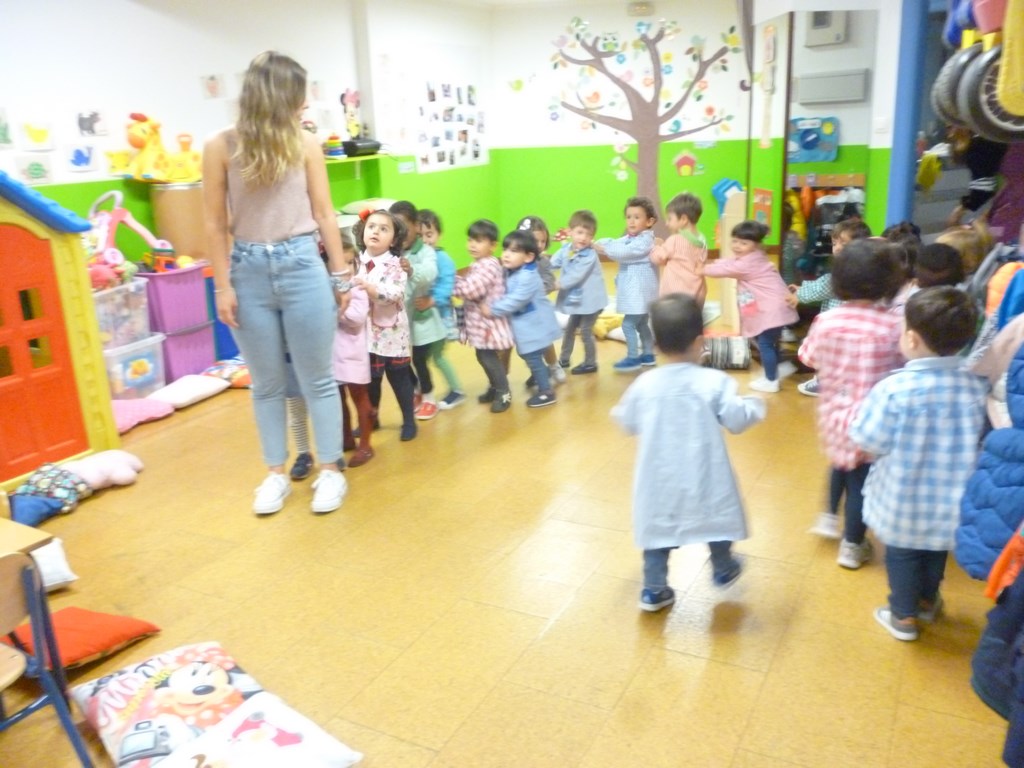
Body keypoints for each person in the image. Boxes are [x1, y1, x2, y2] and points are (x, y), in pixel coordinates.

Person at [204, 50, 348, 516]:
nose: (304, 105)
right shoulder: (220, 146)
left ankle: (330, 469)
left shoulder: (305, 143)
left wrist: (341, 276)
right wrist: (223, 287)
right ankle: (275, 475)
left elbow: (325, 213)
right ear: (275, 97)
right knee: (266, 384)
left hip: (302, 264)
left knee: (317, 378)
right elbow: (214, 224)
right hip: (247, 271)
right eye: (298, 96)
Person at [611, 293, 766, 612]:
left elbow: (626, 421)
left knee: (658, 534)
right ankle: (723, 567)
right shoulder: (714, 381)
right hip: (705, 474)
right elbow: (736, 420)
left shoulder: (645, 384)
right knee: (716, 522)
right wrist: (756, 406)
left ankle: (654, 590)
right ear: (700, 341)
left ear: (656, 345)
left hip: (661, 480)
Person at [849, 287, 986, 641]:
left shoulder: (893, 389)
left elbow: (870, 439)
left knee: (902, 555)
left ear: (911, 338)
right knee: (935, 551)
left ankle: (903, 616)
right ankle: (927, 601)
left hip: (903, 499)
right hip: (951, 500)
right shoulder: (975, 387)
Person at [798, 239, 905, 567]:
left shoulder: (827, 321)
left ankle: (829, 516)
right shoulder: (893, 325)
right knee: (861, 481)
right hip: (875, 419)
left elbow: (807, 356)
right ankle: (852, 543)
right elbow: (903, 365)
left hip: (834, 414)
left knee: (840, 463)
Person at [702, 220, 798, 393]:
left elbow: (724, 270)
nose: (737, 246)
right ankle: (776, 369)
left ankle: (771, 380)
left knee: (765, 344)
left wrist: (702, 269)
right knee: (770, 343)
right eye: (735, 241)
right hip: (776, 308)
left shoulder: (747, 264)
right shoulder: (754, 256)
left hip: (772, 310)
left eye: (744, 243)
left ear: (756, 244)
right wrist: (710, 263)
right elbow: (729, 263)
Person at [786, 218, 872, 397]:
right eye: (835, 243)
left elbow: (823, 287)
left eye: (844, 244)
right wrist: (803, 288)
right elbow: (823, 285)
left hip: (837, 324)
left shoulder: (842, 273)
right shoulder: (865, 269)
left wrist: (799, 295)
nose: (838, 248)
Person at [352, 209, 417, 442]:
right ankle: (372, 419)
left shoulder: (397, 265)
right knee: (371, 380)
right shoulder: (356, 261)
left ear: (394, 239)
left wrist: (370, 289)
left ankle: (409, 420)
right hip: (364, 334)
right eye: (371, 227)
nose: (376, 232)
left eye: (383, 229)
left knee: (399, 379)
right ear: (362, 231)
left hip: (391, 334)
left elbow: (394, 294)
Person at [482, 230, 563, 407]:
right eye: (505, 249)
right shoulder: (512, 270)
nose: (506, 255)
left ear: (528, 257)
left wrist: (493, 310)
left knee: (531, 356)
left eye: (513, 251)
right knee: (529, 355)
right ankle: (542, 374)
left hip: (535, 326)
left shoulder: (528, 276)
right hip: (528, 326)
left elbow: (516, 300)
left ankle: (546, 392)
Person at [388, 201, 445, 424]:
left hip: (422, 319)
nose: (400, 232)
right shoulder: (392, 252)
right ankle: (416, 391)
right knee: (400, 361)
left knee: (420, 360)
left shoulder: (426, 252)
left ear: (416, 226)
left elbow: (430, 273)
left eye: (404, 226)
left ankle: (429, 398)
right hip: (399, 318)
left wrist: (411, 269)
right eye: (395, 227)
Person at [453, 219, 515, 412]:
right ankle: (495, 387)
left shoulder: (488, 265)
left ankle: (503, 391)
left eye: (479, 241)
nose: (472, 245)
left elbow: (472, 290)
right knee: (482, 355)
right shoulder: (478, 264)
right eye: (470, 240)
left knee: (488, 357)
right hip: (480, 323)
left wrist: (450, 281)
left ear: (493, 246)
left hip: (489, 324)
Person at [593, 196, 660, 373]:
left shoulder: (644, 241)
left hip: (639, 293)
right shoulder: (633, 238)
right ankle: (648, 354)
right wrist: (598, 243)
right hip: (640, 293)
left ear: (649, 221)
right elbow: (617, 242)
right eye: (629, 217)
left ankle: (632, 357)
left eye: (637, 217)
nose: (631, 221)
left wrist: (602, 248)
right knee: (642, 324)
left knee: (628, 325)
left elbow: (623, 251)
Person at [334, 229, 375, 468]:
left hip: (353, 354)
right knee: (338, 398)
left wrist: (336, 308)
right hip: (333, 355)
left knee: (360, 397)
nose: (348, 268)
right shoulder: (329, 288)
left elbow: (356, 317)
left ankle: (366, 445)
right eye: (342, 263)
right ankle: (347, 437)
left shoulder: (357, 288)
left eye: (351, 262)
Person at [416, 209, 465, 408]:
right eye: (420, 236)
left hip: (441, 316)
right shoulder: (417, 256)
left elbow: (446, 285)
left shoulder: (442, 258)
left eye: (429, 235)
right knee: (422, 357)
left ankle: (457, 390)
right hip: (426, 318)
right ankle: (421, 389)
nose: (425, 240)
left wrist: (432, 300)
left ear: (439, 234)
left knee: (437, 356)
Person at [551, 209, 608, 374]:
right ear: (570, 232)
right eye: (580, 232)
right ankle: (564, 359)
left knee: (585, 331)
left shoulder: (589, 255)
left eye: (588, 235)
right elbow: (553, 262)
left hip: (592, 302)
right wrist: (542, 269)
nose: (583, 238)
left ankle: (591, 363)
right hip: (579, 301)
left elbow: (576, 276)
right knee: (569, 329)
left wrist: (557, 284)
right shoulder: (566, 249)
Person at [516, 215, 565, 388]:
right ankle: (538, 371)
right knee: (526, 347)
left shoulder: (543, 261)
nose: (539, 245)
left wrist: (535, 289)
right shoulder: (516, 260)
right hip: (522, 313)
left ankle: (554, 366)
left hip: (539, 311)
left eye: (543, 241)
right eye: (535, 241)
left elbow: (549, 282)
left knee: (545, 343)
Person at [649, 192, 707, 307]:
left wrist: (656, 247)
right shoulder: (702, 240)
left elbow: (658, 258)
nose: (667, 223)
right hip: (698, 292)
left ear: (683, 219)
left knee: (672, 317)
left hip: (675, 294)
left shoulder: (675, 240)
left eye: (670, 219)